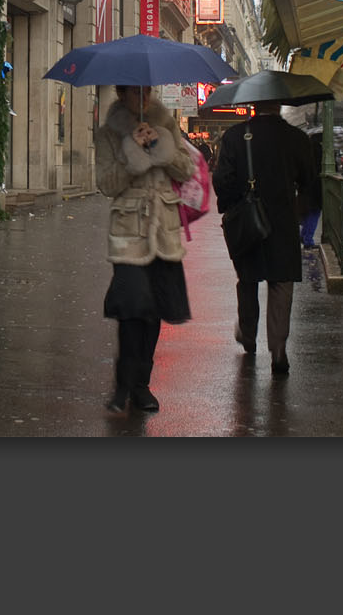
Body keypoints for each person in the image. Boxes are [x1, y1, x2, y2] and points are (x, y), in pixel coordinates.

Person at [94, 84, 195, 413]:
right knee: (131, 309)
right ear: (122, 95)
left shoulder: (165, 126)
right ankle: (123, 383)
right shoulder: (108, 134)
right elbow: (107, 184)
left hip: (163, 232)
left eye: (148, 91)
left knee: (153, 313)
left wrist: (160, 145)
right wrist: (131, 152)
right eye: (136, 92)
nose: (145, 98)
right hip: (129, 233)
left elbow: (186, 169)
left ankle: (142, 386)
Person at [214, 104, 319, 375]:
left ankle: (248, 334)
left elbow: (222, 180)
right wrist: (298, 208)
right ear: (278, 105)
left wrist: (233, 205)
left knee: (248, 279)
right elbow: (309, 182)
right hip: (284, 220)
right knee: (281, 282)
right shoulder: (297, 138)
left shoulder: (236, 136)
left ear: (254, 104)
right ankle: (278, 348)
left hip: (248, 220)